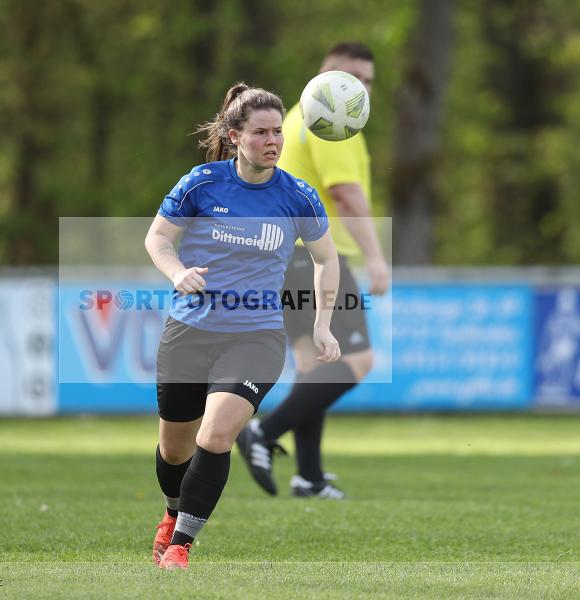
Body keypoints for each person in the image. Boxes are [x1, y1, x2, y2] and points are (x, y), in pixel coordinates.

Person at [145, 83, 342, 570]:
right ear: (235, 136)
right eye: (260, 132)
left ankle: (181, 546)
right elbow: (158, 239)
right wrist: (177, 273)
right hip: (189, 332)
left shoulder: (298, 196)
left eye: (277, 132)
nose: (272, 141)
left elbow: (327, 259)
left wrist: (323, 325)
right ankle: (171, 513)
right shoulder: (201, 184)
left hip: (256, 336)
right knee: (175, 449)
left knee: (216, 436)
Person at [235, 42, 390, 499]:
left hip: (283, 256)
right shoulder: (334, 120)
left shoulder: (296, 118)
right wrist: (376, 256)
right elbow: (345, 193)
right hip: (317, 256)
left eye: (369, 81)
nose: (363, 89)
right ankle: (263, 431)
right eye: (355, 78)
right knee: (357, 359)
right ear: (330, 76)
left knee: (314, 365)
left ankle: (310, 477)